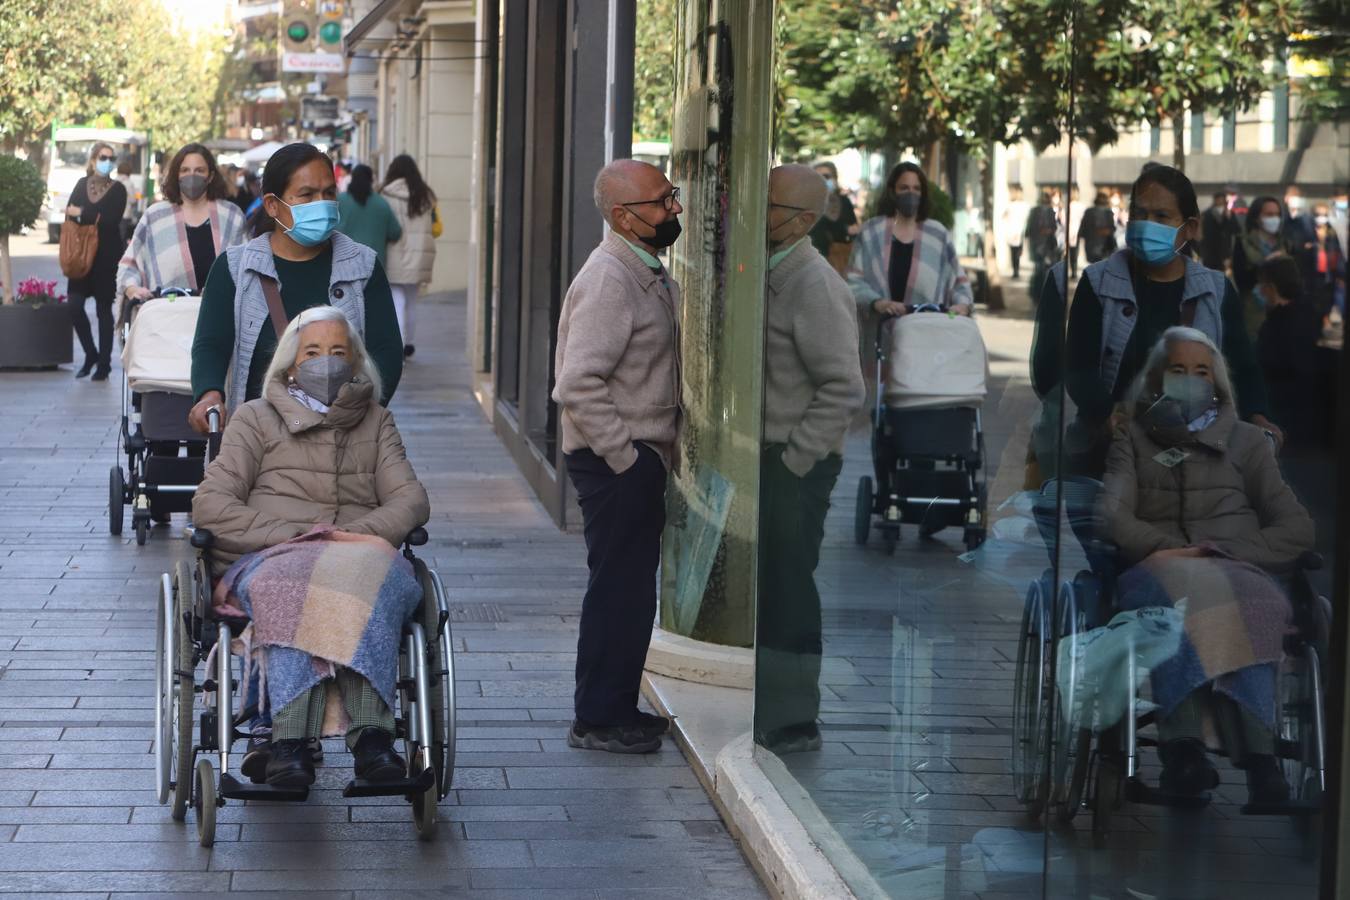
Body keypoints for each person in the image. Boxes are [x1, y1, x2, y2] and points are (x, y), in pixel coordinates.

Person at [192, 306, 430, 786]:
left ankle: (374, 740)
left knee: (368, 578)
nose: (327, 361)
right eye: (314, 352)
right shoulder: (255, 419)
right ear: (290, 363)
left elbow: (411, 499)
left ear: (358, 361)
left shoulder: (376, 422)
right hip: (274, 555)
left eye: (339, 352)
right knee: (289, 584)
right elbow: (210, 505)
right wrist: (297, 537)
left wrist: (352, 537)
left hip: (356, 553)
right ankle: (287, 741)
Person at [1099, 327, 1315, 804]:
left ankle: (1263, 762)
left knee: (1257, 600)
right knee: (1176, 604)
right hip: (1160, 566)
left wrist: (1230, 551)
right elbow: (1112, 515)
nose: (1191, 380)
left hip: (1234, 567)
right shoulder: (1134, 440)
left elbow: (1296, 528)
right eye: (1179, 370)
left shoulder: (1248, 442)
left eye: (1201, 371)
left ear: (1217, 381)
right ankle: (1184, 754)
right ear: (1157, 378)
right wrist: (1166, 549)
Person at [552, 159, 682, 754]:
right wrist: (626, 459)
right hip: (616, 462)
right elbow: (578, 381)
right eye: (661, 201)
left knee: (631, 591)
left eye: (671, 195)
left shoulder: (644, 270)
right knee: (618, 590)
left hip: (632, 456)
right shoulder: (611, 277)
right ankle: (599, 719)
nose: (674, 208)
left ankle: (616, 706)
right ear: (625, 217)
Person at [1044, 164, 1277, 477]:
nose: (1145, 225)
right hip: (1109, 460)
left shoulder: (1216, 290)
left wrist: (1259, 418)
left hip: (1194, 464)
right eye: (1139, 214)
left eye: (1161, 217)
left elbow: (1242, 367)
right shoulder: (1098, 282)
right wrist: (1108, 415)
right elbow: (1078, 368)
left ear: (1190, 227)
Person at [757, 165, 866, 755]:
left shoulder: (815, 284)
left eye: (768, 203)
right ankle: (773, 708)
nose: (757, 211)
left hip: (795, 467)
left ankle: (795, 719)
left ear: (801, 221)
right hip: (772, 460)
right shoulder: (770, 270)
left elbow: (844, 389)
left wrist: (794, 462)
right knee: (773, 589)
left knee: (791, 590)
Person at [188, 142, 404, 435]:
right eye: (307, 195)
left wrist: (360, 413)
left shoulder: (363, 267)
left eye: (329, 193)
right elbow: (211, 344)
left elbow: (386, 351)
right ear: (272, 205)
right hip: (258, 444)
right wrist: (210, 394)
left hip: (341, 442)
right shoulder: (235, 269)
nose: (322, 203)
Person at [846, 161, 974, 326]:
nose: (911, 193)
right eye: (904, 188)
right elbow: (854, 280)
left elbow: (958, 280)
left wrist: (962, 305)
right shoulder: (871, 233)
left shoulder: (937, 235)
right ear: (892, 191)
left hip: (925, 333)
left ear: (923, 193)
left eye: (916, 189)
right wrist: (878, 303)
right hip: (879, 332)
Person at [118, 142, 248, 304]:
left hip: (219, 315)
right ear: (176, 175)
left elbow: (246, 267)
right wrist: (132, 289)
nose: (191, 176)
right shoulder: (155, 217)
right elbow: (130, 264)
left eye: (199, 170)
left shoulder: (231, 216)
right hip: (167, 318)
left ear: (211, 176)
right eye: (185, 170)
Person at [66, 142, 129, 381]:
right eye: (103, 157)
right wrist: (86, 215)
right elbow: (67, 213)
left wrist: (82, 213)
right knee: (74, 305)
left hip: (106, 256)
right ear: (93, 159)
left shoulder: (118, 189)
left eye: (111, 158)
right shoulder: (81, 185)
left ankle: (104, 364)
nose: (108, 161)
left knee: (104, 310)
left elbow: (110, 221)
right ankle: (90, 353)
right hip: (81, 255)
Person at [1256, 256, 1323, 448]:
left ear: (1272, 287)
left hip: (1284, 416)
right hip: (1306, 415)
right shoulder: (1309, 312)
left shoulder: (1278, 326)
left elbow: (1269, 364)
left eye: (1262, 285)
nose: (1260, 290)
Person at [380, 155, 438, 358]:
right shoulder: (425, 195)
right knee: (412, 301)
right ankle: (410, 343)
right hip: (420, 255)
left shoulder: (385, 194)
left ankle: (400, 344)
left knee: (397, 300)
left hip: (395, 253)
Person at [1231, 195, 1289, 339]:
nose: (1274, 219)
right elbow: (1242, 280)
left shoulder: (1285, 244)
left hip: (1282, 315)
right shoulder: (1242, 242)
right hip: (1253, 314)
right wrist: (1266, 264)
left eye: (1277, 215)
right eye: (1269, 214)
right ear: (1257, 217)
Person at [336, 164, 402, 270]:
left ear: (352, 178)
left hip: (344, 264)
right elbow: (395, 233)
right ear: (371, 180)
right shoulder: (382, 203)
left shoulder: (340, 200)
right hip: (375, 266)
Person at [806, 161, 859, 275]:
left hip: (837, 262)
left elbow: (853, 229)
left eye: (826, 176)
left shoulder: (844, 201)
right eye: (818, 177)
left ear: (834, 178)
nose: (823, 180)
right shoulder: (807, 204)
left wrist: (846, 230)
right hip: (812, 263)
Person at [1025, 187, 1062, 305]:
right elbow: (1051, 228)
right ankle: (1039, 293)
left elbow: (1029, 230)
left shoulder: (1035, 211)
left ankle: (1037, 293)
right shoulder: (1046, 211)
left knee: (1040, 270)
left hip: (1039, 245)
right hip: (1043, 245)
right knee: (1042, 270)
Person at [1310, 201, 1346, 319]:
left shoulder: (1331, 231)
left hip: (1329, 272)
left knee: (1327, 299)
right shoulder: (1308, 230)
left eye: (1325, 215)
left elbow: (1337, 252)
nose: (1321, 218)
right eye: (1318, 214)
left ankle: (1325, 320)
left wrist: (1341, 274)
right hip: (1311, 273)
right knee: (1313, 301)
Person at [1199, 190, 1238, 272]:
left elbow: (1236, 229)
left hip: (1225, 248)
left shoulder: (1229, 213)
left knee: (1223, 273)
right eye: (1218, 199)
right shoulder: (1207, 214)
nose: (1220, 201)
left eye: (1222, 199)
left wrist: (1229, 217)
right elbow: (1203, 231)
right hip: (1210, 248)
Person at [1078, 189, 1119, 264]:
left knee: (1093, 267)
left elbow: (1082, 230)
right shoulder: (1108, 212)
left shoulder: (1089, 211)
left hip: (1091, 244)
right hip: (1105, 246)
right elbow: (1112, 229)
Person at [1002, 185, 1030, 279]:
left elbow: (1004, 216)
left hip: (1013, 231)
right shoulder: (1024, 205)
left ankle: (1015, 271)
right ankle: (1016, 270)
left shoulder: (1011, 205)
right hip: (1018, 231)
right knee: (1017, 252)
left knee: (1014, 253)